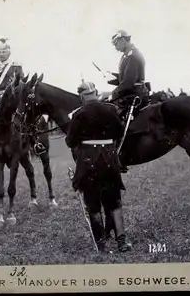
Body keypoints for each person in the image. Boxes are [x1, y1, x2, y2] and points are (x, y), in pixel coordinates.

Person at [65, 80, 132, 253]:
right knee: (114, 201)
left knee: (93, 203)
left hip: (88, 163)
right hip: (109, 161)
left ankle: (101, 243)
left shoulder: (78, 114)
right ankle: (122, 241)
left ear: (81, 96)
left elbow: (70, 141)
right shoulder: (110, 109)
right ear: (95, 93)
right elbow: (119, 131)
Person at [106, 30, 150, 121]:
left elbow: (128, 83)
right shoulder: (128, 54)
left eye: (116, 44)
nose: (115, 47)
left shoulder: (132, 56)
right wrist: (110, 76)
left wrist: (113, 95)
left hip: (135, 94)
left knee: (108, 109)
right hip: (132, 92)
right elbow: (127, 77)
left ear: (122, 40)